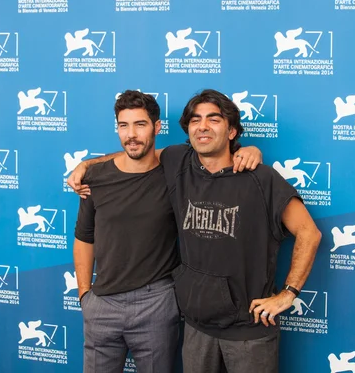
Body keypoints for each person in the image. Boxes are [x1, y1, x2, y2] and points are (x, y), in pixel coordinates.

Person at [69, 89, 321, 373]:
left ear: (232, 131)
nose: (202, 126)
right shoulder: (179, 162)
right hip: (196, 327)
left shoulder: (261, 178)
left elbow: (309, 233)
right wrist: (86, 164)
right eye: (195, 121)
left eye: (214, 119)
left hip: (249, 330)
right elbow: (139, 151)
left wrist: (288, 293)